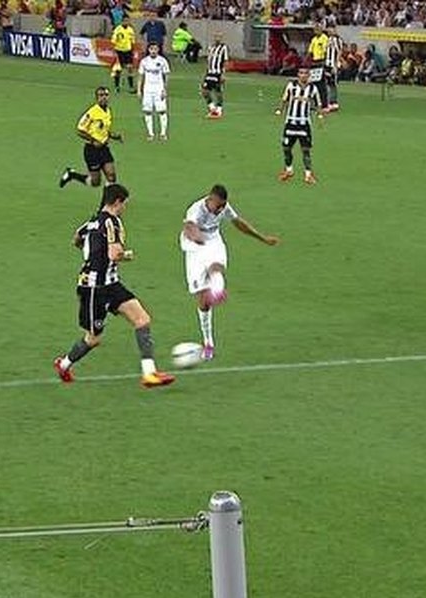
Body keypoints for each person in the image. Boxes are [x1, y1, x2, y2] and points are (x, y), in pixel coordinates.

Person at [54, 184, 176, 388]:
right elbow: (115, 254)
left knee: (142, 319)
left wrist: (92, 253)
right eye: (124, 204)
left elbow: (77, 238)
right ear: (117, 202)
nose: (125, 208)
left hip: (110, 284)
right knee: (93, 338)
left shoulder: (91, 222)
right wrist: (127, 254)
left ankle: (149, 374)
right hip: (93, 288)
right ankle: (64, 364)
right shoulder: (113, 223)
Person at [180, 184, 280, 361]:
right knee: (203, 302)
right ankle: (208, 342)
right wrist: (197, 237)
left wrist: (262, 238)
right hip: (194, 248)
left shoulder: (224, 207)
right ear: (210, 199)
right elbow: (189, 227)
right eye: (218, 206)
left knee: (216, 267)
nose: (220, 210)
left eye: (222, 206)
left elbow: (238, 223)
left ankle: (218, 290)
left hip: (213, 243)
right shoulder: (196, 209)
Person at [60, 87, 122, 188]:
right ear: (97, 98)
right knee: (95, 182)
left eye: (106, 95)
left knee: (111, 176)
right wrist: (93, 141)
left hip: (104, 148)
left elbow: (102, 129)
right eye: (101, 95)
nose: (104, 98)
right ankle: (72, 175)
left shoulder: (108, 111)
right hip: (92, 150)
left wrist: (113, 135)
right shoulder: (92, 112)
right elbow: (80, 130)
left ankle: (105, 204)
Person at [275, 66, 325, 185]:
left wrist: (320, 115)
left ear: (309, 76)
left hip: (304, 123)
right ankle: (289, 170)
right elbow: (285, 99)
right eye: (301, 73)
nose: (303, 75)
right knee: (286, 148)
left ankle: (308, 174)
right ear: (298, 74)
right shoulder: (291, 86)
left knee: (305, 150)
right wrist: (280, 110)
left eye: (305, 73)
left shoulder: (313, 88)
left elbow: (318, 103)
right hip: (291, 122)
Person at [137, 41, 171, 141]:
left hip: (159, 89)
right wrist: (139, 90)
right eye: (151, 49)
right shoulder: (144, 61)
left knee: (162, 111)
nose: (153, 51)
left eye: (155, 49)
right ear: (148, 50)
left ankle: (163, 133)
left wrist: (165, 89)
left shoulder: (163, 61)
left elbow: (166, 76)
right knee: (147, 111)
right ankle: (150, 133)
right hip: (147, 90)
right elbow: (140, 76)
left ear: (158, 50)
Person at [201, 32, 227, 118]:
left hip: (218, 73)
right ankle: (212, 107)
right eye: (216, 36)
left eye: (219, 37)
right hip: (210, 72)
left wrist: (223, 74)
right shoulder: (211, 47)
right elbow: (209, 61)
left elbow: (225, 61)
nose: (217, 38)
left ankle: (219, 109)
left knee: (218, 91)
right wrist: (206, 72)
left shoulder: (223, 48)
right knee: (204, 91)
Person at [110, 15, 136, 93]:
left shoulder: (130, 30)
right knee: (118, 69)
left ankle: (131, 87)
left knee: (130, 68)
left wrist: (132, 50)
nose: (126, 22)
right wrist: (114, 49)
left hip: (128, 51)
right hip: (119, 51)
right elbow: (113, 41)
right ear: (122, 21)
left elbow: (133, 41)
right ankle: (117, 86)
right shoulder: (118, 29)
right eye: (124, 21)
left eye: (127, 21)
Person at [322, 24, 343, 110]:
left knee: (332, 83)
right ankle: (328, 101)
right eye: (329, 29)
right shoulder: (328, 39)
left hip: (332, 64)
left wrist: (335, 65)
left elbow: (339, 52)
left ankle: (333, 102)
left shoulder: (337, 40)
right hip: (327, 64)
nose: (330, 30)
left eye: (332, 29)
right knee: (326, 82)